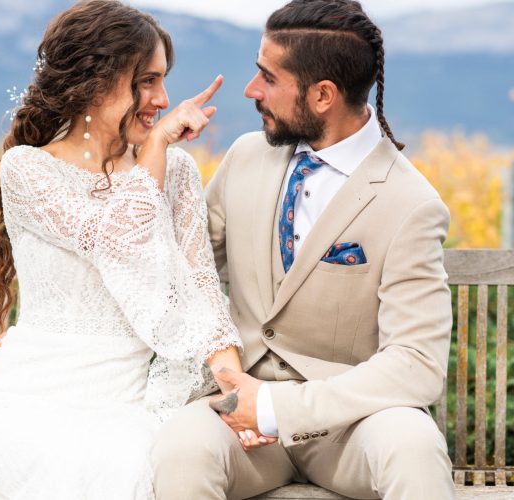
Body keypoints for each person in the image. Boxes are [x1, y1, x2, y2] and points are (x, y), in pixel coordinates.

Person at [0, 1, 242, 498]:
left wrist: (235, 386)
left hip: (130, 401)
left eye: (164, 80)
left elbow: (202, 289)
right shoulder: (27, 171)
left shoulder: (179, 173)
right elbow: (119, 238)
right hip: (28, 399)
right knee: (80, 468)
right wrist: (158, 148)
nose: (162, 99)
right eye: (146, 80)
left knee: (122, 464)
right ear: (92, 81)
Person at [152, 1, 455, 498]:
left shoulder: (410, 203)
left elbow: (417, 362)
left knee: (414, 445)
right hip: (237, 419)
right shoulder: (245, 157)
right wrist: (152, 147)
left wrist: (277, 409)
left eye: (267, 78)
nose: (252, 91)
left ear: (323, 95)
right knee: (182, 447)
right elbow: (176, 271)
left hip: (350, 426)